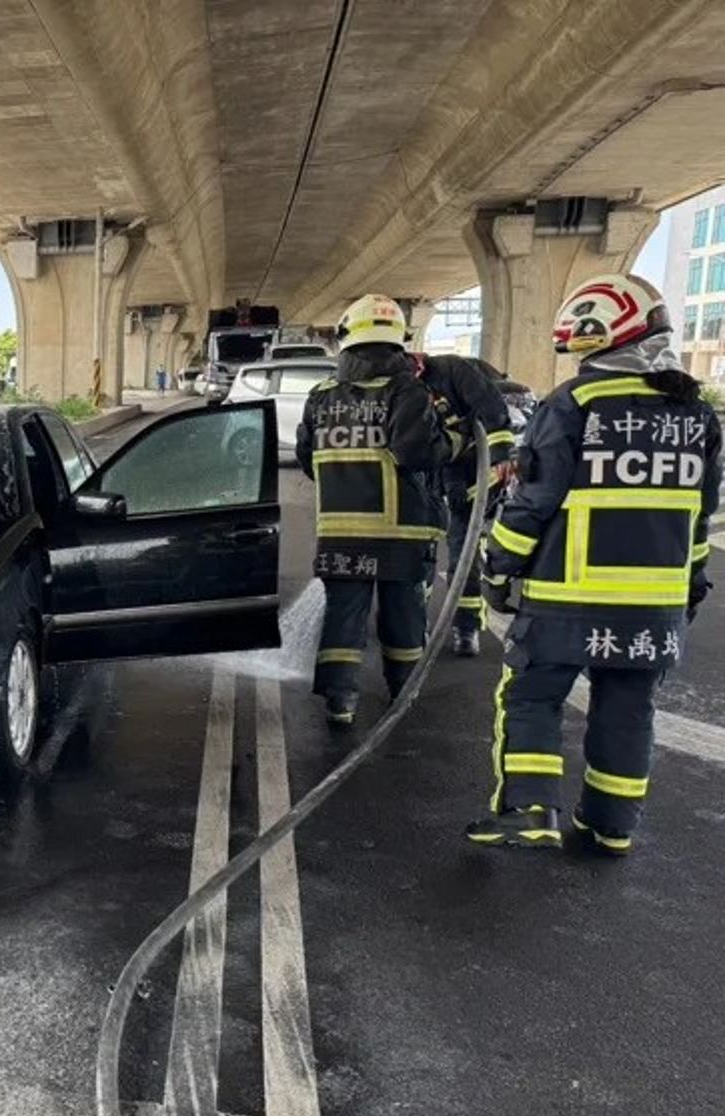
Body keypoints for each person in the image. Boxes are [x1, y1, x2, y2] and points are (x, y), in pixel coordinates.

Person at [466, 273, 721, 853]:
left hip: (568, 596)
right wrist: (691, 589)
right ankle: (611, 827)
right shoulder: (697, 417)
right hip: (654, 604)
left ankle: (529, 810)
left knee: (530, 695)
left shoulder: (572, 405)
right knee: (629, 709)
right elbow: (697, 518)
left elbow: (533, 501)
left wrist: (498, 566)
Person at [297, 294, 457, 725]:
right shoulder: (406, 390)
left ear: (346, 342)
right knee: (403, 616)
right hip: (401, 535)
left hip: (340, 532)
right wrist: (455, 440)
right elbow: (416, 452)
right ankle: (402, 693)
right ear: (398, 344)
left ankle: (340, 700)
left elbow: (306, 456)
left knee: (343, 617)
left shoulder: (321, 396)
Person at [414, 353, 515, 655]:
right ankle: (413, 622)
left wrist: (500, 456)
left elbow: (491, 408)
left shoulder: (453, 371)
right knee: (418, 555)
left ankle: (466, 628)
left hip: (470, 472)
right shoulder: (395, 382)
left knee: (464, 556)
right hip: (427, 475)